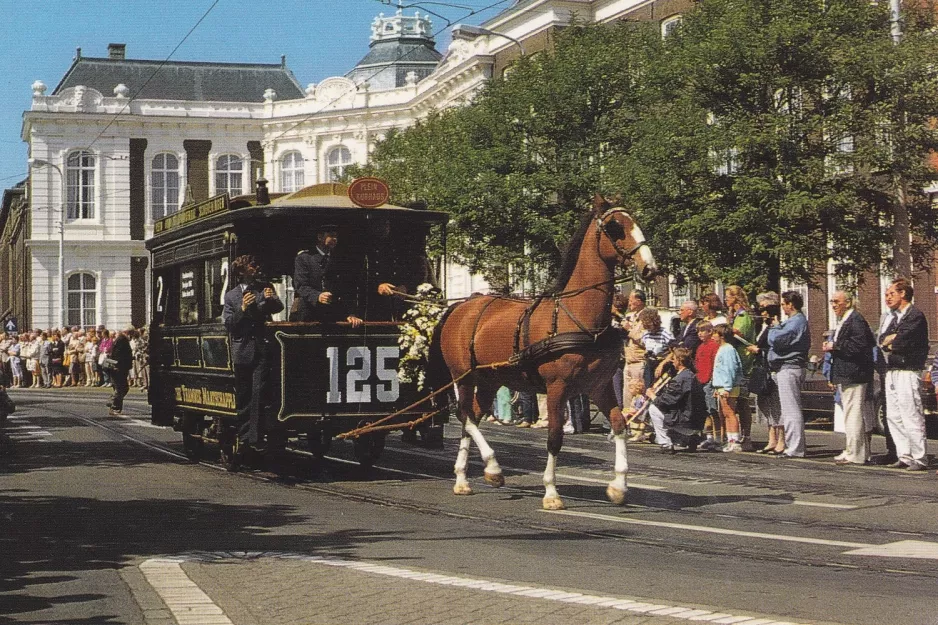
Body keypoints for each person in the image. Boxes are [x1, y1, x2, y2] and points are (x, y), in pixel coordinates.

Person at [224, 254, 284, 448]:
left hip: (262, 347)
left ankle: (254, 437)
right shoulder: (232, 295)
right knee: (244, 395)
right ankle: (243, 436)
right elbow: (230, 324)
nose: (256, 268)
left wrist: (268, 300)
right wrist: (242, 308)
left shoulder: (264, 287)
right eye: (252, 266)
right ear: (242, 271)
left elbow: (278, 306)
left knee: (258, 392)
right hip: (243, 351)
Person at [879, 277, 929, 471]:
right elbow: (883, 339)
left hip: (908, 370)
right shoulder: (894, 317)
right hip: (893, 369)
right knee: (893, 415)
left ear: (903, 294)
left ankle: (919, 457)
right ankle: (904, 455)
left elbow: (904, 341)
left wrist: (893, 341)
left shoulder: (914, 316)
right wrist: (889, 340)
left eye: (891, 293)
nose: (888, 298)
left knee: (911, 413)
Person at [823, 291, 875, 465]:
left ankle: (855, 453)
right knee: (851, 413)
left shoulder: (856, 320)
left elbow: (860, 346)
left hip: (855, 373)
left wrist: (835, 346)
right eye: (832, 301)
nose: (834, 304)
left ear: (848, 302)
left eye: (837, 301)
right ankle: (857, 450)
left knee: (853, 413)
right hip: (847, 372)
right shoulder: (845, 320)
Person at [292, 225, 363, 327]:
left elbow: (346, 288)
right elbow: (301, 286)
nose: (335, 239)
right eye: (331, 235)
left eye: (336, 237)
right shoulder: (304, 258)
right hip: (309, 316)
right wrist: (317, 296)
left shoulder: (339, 260)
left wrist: (350, 313)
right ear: (320, 237)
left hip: (334, 315)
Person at [767, 290, 810, 458]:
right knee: (789, 409)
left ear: (790, 305)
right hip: (786, 367)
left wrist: (775, 327)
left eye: (784, 304)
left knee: (791, 409)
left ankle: (795, 448)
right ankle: (795, 445)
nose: (782, 308)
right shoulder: (795, 321)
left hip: (789, 367)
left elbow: (776, 340)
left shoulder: (796, 322)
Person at [646, 347, 706, 453]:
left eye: (673, 359)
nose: (672, 362)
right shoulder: (693, 376)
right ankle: (689, 438)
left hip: (686, 422)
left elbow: (664, 402)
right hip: (698, 423)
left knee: (653, 408)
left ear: (679, 360)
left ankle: (666, 444)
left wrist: (652, 395)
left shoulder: (679, 380)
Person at [748, 292, 784, 454]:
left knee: (776, 405)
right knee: (765, 405)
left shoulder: (778, 325)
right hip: (763, 368)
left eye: (764, 307)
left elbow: (775, 346)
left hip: (771, 369)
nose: (761, 311)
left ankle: (781, 440)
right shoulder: (763, 326)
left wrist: (758, 349)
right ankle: (771, 439)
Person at [725, 286, 756, 451]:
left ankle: (747, 436)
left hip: (743, 363)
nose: (726, 300)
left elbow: (736, 333)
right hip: (734, 363)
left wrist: (725, 327)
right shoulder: (735, 316)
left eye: (728, 297)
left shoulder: (743, 316)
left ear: (735, 298)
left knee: (742, 402)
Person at [711, 324, 744, 451]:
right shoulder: (722, 348)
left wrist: (727, 388)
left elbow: (730, 369)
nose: (713, 336)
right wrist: (717, 387)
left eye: (715, 334)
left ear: (722, 336)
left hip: (728, 386)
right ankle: (730, 440)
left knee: (730, 413)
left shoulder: (728, 349)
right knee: (725, 413)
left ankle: (735, 441)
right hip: (721, 386)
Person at [106, 327, 134, 415]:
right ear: (129, 333)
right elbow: (118, 355)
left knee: (120, 388)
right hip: (119, 368)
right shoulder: (122, 340)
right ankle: (113, 403)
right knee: (121, 388)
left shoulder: (120, 339)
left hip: (119, 367)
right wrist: (118, 365)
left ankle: (116, 407)